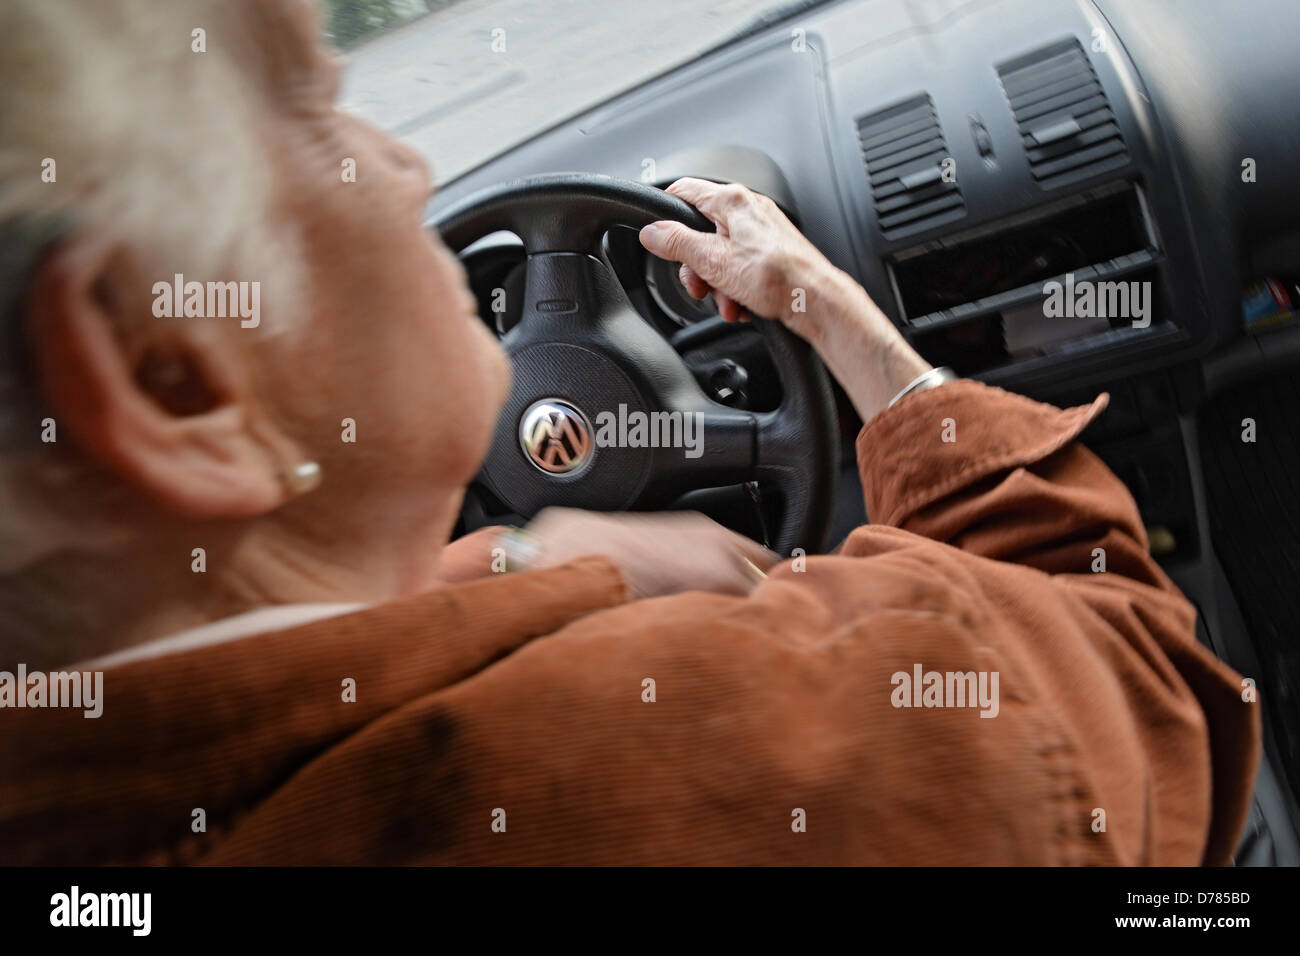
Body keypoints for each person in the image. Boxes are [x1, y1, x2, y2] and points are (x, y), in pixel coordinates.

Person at [0, 0, 1257, 865]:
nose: (406, 170)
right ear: (172, 376)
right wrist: (855, 338)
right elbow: (1151, 685)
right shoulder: (738, 757)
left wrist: (501, 570)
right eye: (319, 120)